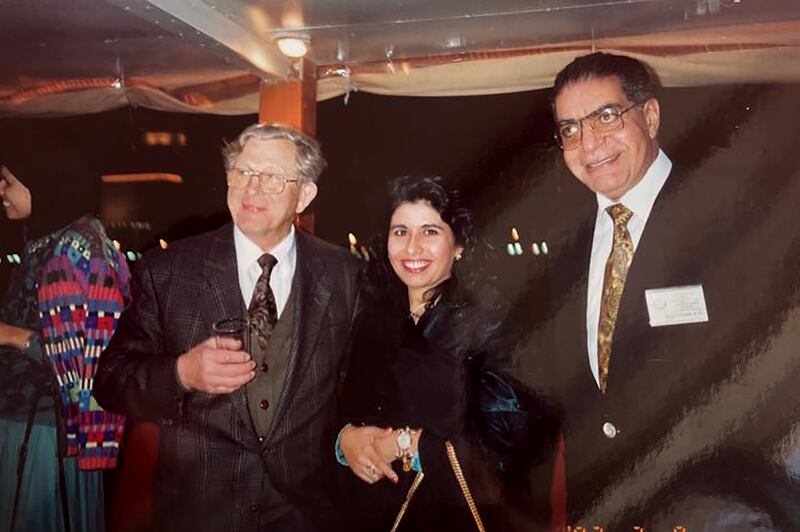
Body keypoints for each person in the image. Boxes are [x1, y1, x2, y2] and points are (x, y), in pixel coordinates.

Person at [516, 51, 800, 530]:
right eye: (570, 129)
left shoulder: (732, 214)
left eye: (606, 117)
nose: (590, 143)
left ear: (649, 116)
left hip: (717, 508)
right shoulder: (564, 246)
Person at [94, 123, 360, 532]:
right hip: (199, 512)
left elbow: (354, 386)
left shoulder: (343, 274)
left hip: (304, 512)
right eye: (242, 172)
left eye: (271, 177)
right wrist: (182, 372)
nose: (252, 188)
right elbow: (110, 381)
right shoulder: (166, 270)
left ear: (304, 194)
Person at [336, 176, 546, 531]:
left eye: (430, 232)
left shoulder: (490, 325)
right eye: (400, 232)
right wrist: (344, 440)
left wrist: (411, 446)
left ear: (459, 244)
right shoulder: (370, 321)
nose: (412, 248)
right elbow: (335, 408)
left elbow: (509, 434)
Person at [0, 160, 130, 532]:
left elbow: (92, 357)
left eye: (8, 180)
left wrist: (11, 335)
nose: (2, 192)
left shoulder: (74, 246)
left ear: (44, 180)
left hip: (47, 432)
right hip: (33, 424)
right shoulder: (52, 241)